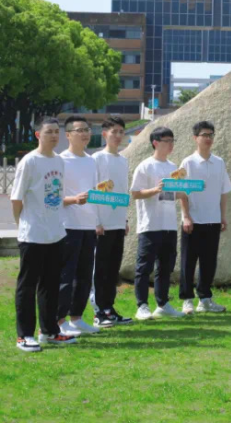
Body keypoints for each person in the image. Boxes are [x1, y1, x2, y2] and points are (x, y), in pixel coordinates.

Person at [12, 117, 77, 352]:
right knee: (28, 286)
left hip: (55, 233)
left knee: (50, 285)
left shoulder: (59, 161)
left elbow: (57, 196)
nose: (54, 136)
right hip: (33, 235)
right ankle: (24, 336)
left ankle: (49, 331)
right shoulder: (29, 161)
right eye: (49, 132)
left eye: (57, 132)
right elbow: (16, 199)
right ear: (38, 135)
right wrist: (22, 224)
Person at [177, 121, 231, 314]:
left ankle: (205, 299)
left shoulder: (219, 162)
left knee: (209, 262)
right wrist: (186, 216)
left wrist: (222, 216)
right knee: (188, 262)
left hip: (213, 220)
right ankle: (187, 300)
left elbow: (223, 192)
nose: (208, 138)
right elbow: (182, 192)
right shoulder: (188, 163)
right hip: (193, 221)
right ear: (195, 138)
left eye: (211, 135)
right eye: (204, 135)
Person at [130, 126, 184, 320]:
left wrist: (185, 190)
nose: (170, 145)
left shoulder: (173, 166)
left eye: (172, 141)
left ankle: (163, 304)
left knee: (166, 266)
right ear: (155, 143)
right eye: (166, 141)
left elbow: (173, 194)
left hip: (169, 224)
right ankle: (142, 306)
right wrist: (155, 190)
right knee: (144, 267)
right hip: (150, 224)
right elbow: (135, 193)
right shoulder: (145, 166)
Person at [58, 115, 101, 335]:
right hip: (68, 226)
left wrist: (98, 221)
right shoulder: (60, 161)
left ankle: (77, 318)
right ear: (68, 135)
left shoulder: (91, 160)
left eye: (87, 130)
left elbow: (95, 192)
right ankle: (59, 321)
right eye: (79, 130)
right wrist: (73, 200)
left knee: (84, 276)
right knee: (66, 275)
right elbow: (53, 197)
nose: (85, 134)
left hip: (88, 226)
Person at [93, 116, 133, 327]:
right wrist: (96, 221)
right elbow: (93, 191)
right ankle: (98, 311)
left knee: (112, 269)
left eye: (121, 132)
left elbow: (122, 192)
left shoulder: (123, 160)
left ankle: (109, 308)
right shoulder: (96, 159)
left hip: (117, 223)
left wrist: (124, 219)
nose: (118, 135)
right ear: (104, 134)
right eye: (114, 131)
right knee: (99, 269)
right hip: (101, 225)